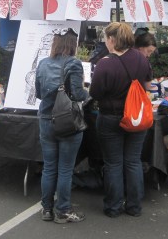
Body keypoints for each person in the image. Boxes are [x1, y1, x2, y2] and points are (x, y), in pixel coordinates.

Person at [89, 22, 152, 218]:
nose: (105, 42)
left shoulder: (105, 63)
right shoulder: (141, 59)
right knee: (133, 161)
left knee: (113, 163)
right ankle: (134, 206)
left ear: (112, 39)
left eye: (106, 39)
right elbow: (148, 86)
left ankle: (113, 207)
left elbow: (95, 93)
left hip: (111, 117)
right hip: (136, 117)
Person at [35, 27, 88, 224]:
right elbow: (78, 95)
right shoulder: (74, 63)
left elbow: (38, 93)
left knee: (49, 167)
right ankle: (63, 211)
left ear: (55, 43)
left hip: (46, 119)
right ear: (73, 44)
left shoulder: (42, 63)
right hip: (67, 121)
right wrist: (89, 92)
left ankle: (47, 209)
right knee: (65, 169)